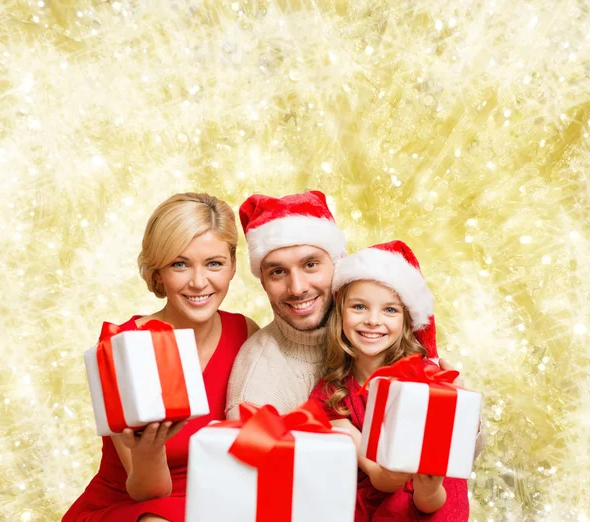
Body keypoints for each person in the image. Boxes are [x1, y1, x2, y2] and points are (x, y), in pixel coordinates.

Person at [62, 192, 259, 522]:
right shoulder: (123, 345)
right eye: (179, 264)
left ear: (233, 266)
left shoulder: (246, 333)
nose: (199, 282)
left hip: (214, 505)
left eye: (214, 263)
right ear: (158, 273)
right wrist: (149, 451)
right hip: (134, 507)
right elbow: (146, 493)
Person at [309, 240, 471, 522]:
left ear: (407, 321)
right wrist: (399, 472)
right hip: (377, 496)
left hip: (434, 501)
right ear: (340, 313)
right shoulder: (332, 394)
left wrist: (429, 486)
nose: (373, 320)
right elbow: (382, 478)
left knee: (423, 497)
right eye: (359, 307)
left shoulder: (427, 381)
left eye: (390, 310)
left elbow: (434, 498)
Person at [225, 190, 347, 418]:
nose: (297, 288)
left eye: (310, 265)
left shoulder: (372, 334)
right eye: (278, 272)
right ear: (263, 281)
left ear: (338, 263)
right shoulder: (255, 393)